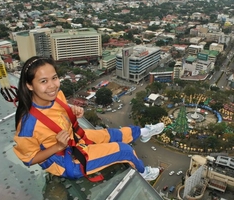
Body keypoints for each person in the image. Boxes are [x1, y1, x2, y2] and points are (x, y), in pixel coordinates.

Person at [13, 56, 165, 181]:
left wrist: (73, 110)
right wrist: (57, 147)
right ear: (30, 86)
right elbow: (29, 159)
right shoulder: (28, 125)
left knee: (110, 134)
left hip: (73, 138)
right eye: (43, 81)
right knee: (125, 150)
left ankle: (143, 132)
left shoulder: (56, 95)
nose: (52, 85)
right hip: (65, 160)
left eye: (54, 78)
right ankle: (144, 173)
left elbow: (57, 115)